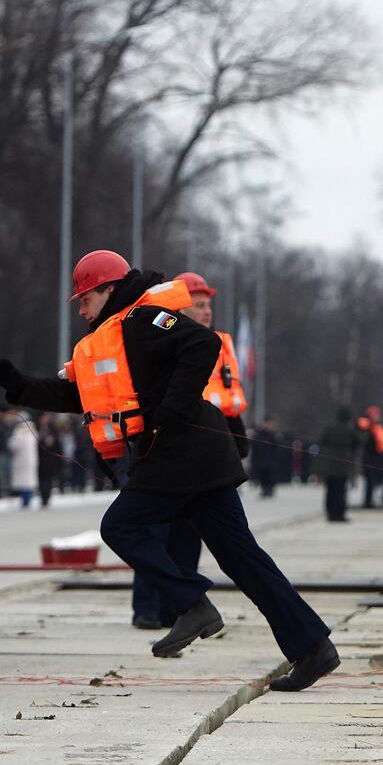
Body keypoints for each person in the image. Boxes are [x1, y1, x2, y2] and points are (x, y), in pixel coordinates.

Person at [0, 249, 338, 691]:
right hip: (196, 457)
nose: (80, 307)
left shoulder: (144, 319)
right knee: (243, 558)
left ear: (109, 290)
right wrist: (18, 386)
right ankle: (312, 648)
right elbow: (78, 397)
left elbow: (203, 344)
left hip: (182, 452)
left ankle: (192, 603)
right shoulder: (113, 338)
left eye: (85, 297)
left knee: (121, 527)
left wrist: (171, 411)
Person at [130, 270, 251, 630]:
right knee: (154, 532)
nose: (207, 312)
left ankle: (179, 609)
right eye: (199, 306)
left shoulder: (217, 345)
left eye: (208, 306)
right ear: (180, 309)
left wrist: (236, 439)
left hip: (205, 449)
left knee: (188, 536)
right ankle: (147, 608)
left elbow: (228, 400)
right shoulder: (166, 342)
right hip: (168, 447)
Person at [316, 406, 358, 522]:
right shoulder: (349, 429)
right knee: (340, 491)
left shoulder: (330, 427)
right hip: (343, 463)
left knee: (330, 490)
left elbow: (321, 442)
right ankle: (339, 514)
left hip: (329, 462)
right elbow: (356, 443)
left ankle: (330, 514)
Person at [1, 404, 39, 508]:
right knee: (29, 482)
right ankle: (28, 499)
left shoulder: (19, 431)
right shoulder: (33, 431)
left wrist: (9, 441)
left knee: (23, 483)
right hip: (31, 461)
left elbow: (14, 445)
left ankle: (25, 501)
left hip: (21, 461)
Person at [357, 406, 383, 509]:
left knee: (377, 482)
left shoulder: (380, 428)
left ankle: (376, 501)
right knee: (370, 483)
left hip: (379, 460)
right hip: (370, 460)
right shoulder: (366, 428)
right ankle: (368, 502)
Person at [251, 415, 286, 498]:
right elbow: (254, 446)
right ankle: (264, 489)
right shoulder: (258, 433)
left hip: (272, 459)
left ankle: (270, 489)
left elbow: (279, 447)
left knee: (271, 475)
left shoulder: (275, 435)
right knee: (263, 475)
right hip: (261, 458)